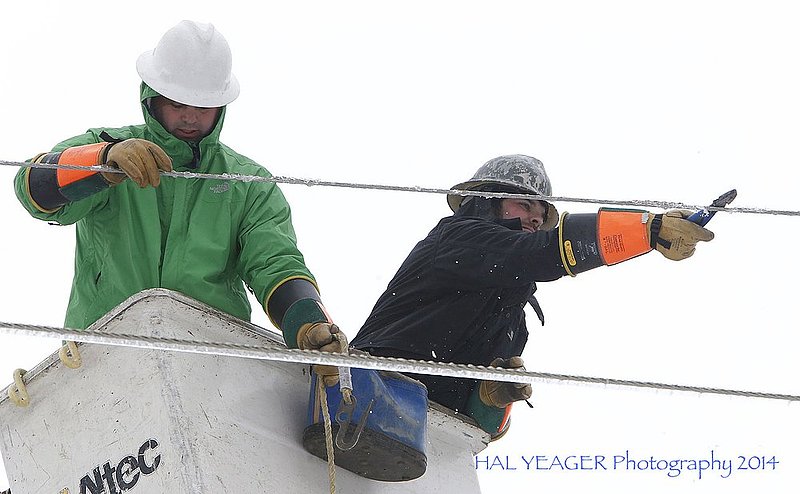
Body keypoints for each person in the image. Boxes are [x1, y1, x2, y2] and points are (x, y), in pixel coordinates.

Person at [13, 20, 344, 359]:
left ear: (221, 107)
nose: (189, 118)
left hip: (212, 361)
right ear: (152, 98)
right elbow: (31, 189)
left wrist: (308, 322)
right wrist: (103, 162)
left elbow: (275, 262)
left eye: (202, 107)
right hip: (101, 352)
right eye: (177, 104)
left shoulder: (248, 184)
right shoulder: (106, 148)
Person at [352, 154, 714, 439]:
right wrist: (647, 230)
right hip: (362, 394)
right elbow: (541, 253)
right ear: (487, 201)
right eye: (525, 205)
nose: (536, 219)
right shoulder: (458, 238)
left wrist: (492, 400)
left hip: (430, 438)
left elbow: (484, 431)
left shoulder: (514, 319)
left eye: (541, 214)